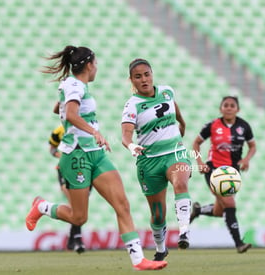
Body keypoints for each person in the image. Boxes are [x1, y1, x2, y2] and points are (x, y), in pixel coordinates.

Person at [25, 46, 167, 271]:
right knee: (79, 218)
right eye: (96, 64)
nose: (97, 68)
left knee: (122, 204)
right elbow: (70, 114)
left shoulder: (77, 86)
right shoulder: (74, 85)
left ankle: (138, 259)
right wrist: (95, 132)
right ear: (89, 64)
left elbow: (61, 109)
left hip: (97, 155)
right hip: (76, 155)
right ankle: (42, 206)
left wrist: (65, 107)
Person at [121, 58, 192, 261]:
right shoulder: (132, 105)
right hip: (149, 161)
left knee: (181, 182)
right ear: (131, 80)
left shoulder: (167, 91)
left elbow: (173, 106)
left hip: (175, 152)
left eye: (147, 74)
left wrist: (182, 123)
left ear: (152, 74)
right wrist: (132, 145)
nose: (144, 79)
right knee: (158, 213)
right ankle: (161, 248)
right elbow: (125, 135)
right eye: (138, 77)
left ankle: (184, 231)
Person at [191, 96, 256, 253]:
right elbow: (196, 143)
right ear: (221, 108)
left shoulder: (244, 126)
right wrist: (200, 163)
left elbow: (252, 146)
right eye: (225, 105)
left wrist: (246, 159)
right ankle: (239, 243)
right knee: (230, 204)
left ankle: (198, 211)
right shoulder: (212, 125)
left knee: (220, 211)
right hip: (214, 170)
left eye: (232, 105)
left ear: (237, 109)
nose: (228, 108)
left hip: (233, 173)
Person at [48, 123, 86, 253]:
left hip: (83, 170)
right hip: (65, 169)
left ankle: (72, 239)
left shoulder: (85, 127)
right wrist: (63, 157)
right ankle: (78, 239)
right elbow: (52, 149)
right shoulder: (59, 130)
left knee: (79, 207)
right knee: (75, 204)